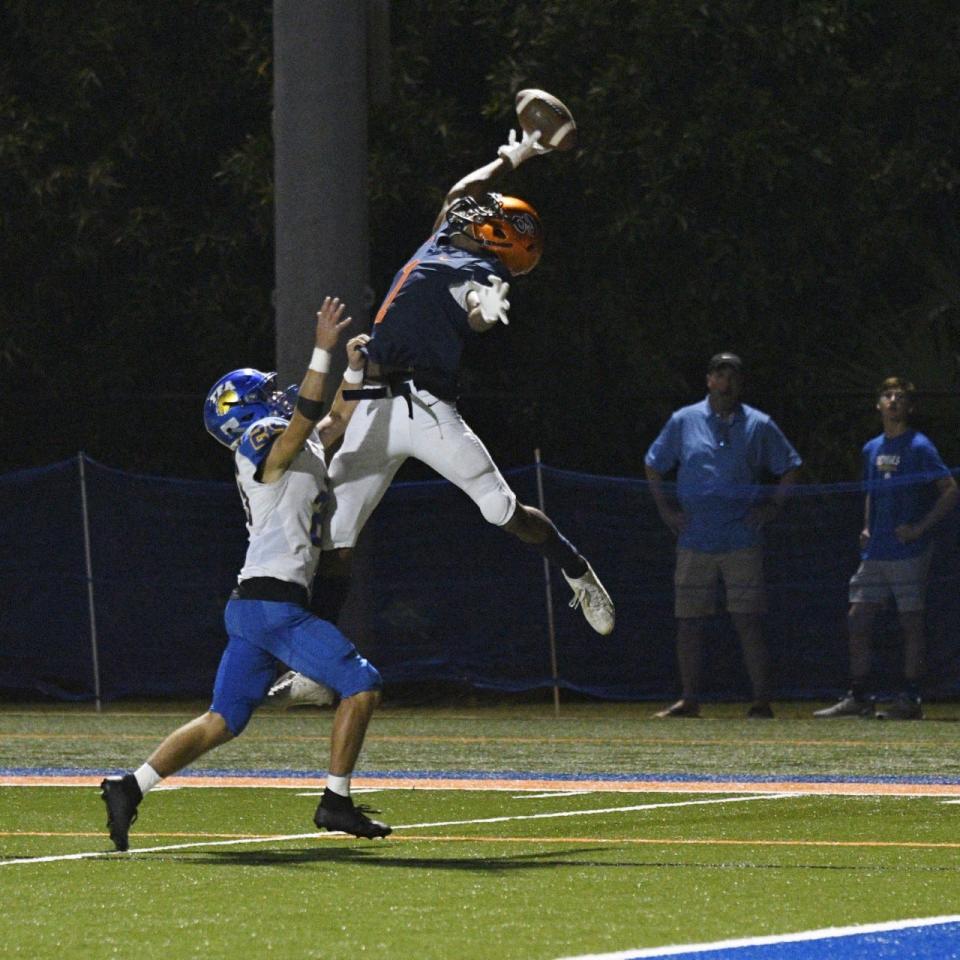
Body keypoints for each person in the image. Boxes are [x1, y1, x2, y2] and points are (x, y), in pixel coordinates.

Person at [270, 126, 612, 714]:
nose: (475, 215)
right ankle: (315, 669)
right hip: (372, 399)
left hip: (427, 408)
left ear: (497, 240)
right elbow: (465, 188)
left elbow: (477, 311)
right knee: (335, 538)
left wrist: (485, 309)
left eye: (489, 220)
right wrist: (515, 154)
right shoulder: (444, 236)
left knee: (501, 509)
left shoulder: (488, 273)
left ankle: (577, 570)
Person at [100, 297, 392, 851]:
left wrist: (354, 367)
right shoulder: (260, 444)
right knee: (362, 684)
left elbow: (333, 420)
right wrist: (321, 350)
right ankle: (335, 800)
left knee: (223, 720)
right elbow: (306, 415)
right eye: (265, 395)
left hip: (257, 605)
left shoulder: (288, 442)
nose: (276, 398)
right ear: (246, 413)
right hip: (273, 605)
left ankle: (129, 786)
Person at [644, 352, 801, 719]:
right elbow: (654, 464)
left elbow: (790, 467)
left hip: (740, 538)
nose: (726, 383)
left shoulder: (759, 424)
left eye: (733, 376)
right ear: (709, 380)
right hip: (695, 537)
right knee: (689, 622)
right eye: (720, 374)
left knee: (748, 620)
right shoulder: (684, 420)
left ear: (740, 383)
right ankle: (689, 699)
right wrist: (667, 511)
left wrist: (773, 508)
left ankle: (761, 700)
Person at [814, 377, 957, 720]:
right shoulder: (872, 448)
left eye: (901, 397)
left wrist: (919, 527)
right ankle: (860, 695)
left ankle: (910, 699)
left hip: (909, 552)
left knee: (910, 621)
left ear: (910, 407)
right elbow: (871, 491)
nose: (893, 400)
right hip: (876, 551)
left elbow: (950, 489)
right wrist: (867, 525)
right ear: (877, 404)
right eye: (887, 395)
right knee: (858, 618)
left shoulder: (920, 446)